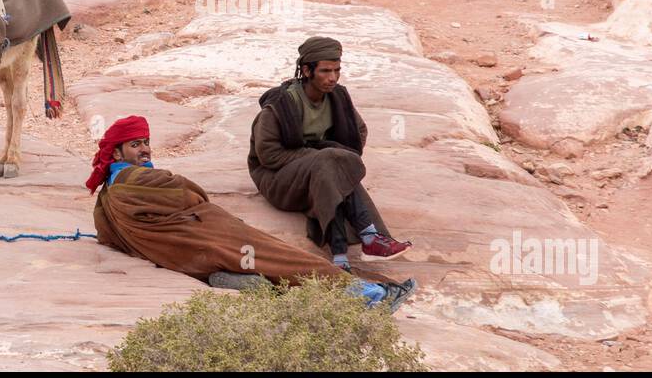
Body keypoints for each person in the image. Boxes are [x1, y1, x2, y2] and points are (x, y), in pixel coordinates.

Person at [87, 115, 414, 310]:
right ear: (117, 151)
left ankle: (235, 280)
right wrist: (196, 202)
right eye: (135, 145)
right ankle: (367, 294)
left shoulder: (108, 196)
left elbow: (109, 235)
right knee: (284, 258)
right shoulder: (133, 178)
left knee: (272, 266)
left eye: (145, 142)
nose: (144, 149)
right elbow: (182, 190)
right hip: (205, 236)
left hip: (186, 253)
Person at [248, 36, 412, 271]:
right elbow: (268, 155)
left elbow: (359, 131)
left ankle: (340, 257)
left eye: (336, 70)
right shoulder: (281, 106)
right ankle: (369, 236)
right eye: (325, 71)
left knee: (333, 166)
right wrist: (318, 156)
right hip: (277, 179)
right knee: (330, 161)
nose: (332, 78)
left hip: (319, 176)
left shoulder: (338, 97)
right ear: (306, 70)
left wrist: (331, 160)